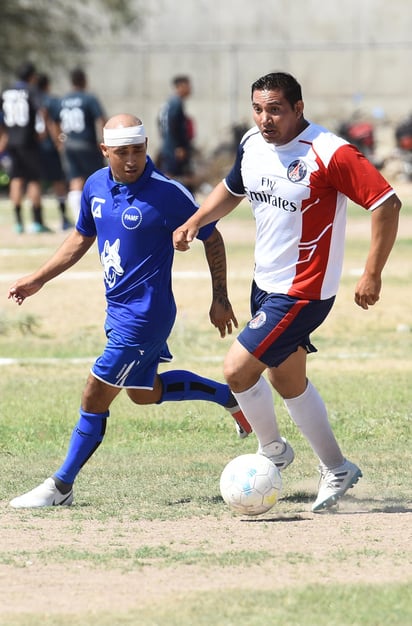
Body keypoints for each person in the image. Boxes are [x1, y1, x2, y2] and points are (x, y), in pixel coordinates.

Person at [173, 72, 401, 513]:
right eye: (258, 109)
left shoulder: (329, 152)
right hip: (266, 284)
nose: (265, 119)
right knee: (286, 379)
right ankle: (337, 467)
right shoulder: (252, 145)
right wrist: (197, 221)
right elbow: (233, 187)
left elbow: (386, 203)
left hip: (305, 290)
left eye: (275, 109)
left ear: (298, 107)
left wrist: (372, 272)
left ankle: (272, 451)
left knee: (238, 370)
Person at [7, 113, 251, 509]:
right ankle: (229, 399)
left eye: (138, 150)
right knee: (143, 393)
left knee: (94, 393)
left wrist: (219, 297)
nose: (132, 160)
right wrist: (39, 279)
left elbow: (213, 236)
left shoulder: (167, 193)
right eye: (122, 153)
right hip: (117, 312)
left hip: (146, 317)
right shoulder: (94, 186)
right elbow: (80, 238)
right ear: (105, 152)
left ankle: (61, 486)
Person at [0, 61, 52, 233]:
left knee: (16, 179)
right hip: (28, 140)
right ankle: (37, 221)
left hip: (12, 141)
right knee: (33, 179)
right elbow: (42, 110)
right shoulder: (31, 90)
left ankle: (18, 222)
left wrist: (4, 134)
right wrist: (43, 129)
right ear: (32, 76)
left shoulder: (7, 91)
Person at [58, 67, 107, 221]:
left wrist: (60, 139)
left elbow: (56, 120)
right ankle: (100, 214)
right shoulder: (88, 98)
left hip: (69, 143)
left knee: (75, 179)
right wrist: (105, 138)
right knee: (99, 177)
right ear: (84, 80)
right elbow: (101, 118)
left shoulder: (64, 100)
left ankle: (79, 218)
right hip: (86, 143)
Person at [36, 73, 72, 231]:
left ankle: (36, 220)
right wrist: (58, 141)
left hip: (33, 146)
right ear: (47, 85)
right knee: (58, 181)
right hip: (48, 145)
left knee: (34, 182)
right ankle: (63, 218)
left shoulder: (31, 98)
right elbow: (52, 121)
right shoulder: (50, 100)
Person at [157, 75, 197, 191]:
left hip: (167, 145)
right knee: (174, 175)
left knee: (170, 173)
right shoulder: (176, 103)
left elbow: (160, 122)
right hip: (174, 148)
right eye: (188, 86)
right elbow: (173, 124)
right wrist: (179, 146)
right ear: (180, 86)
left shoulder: (168, 102)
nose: (190, 89)